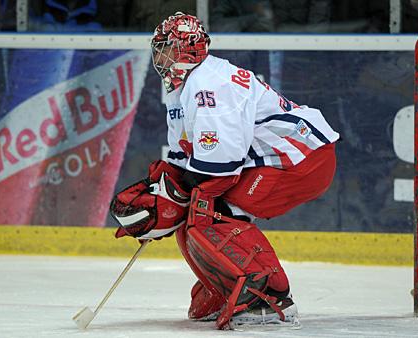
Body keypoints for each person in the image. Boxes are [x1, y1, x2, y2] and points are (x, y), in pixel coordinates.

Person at [110, 12, 339, 330]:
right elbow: (184, 160)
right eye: (158, 49)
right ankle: (227, 288)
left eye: (167, 48)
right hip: (279, 159)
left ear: (187, 51)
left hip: (300, 160)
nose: (160, 57)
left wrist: (169, 201)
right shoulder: (184, 88)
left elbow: (219, 170)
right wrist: (161, 193)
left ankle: (267, 297)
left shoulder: (211, 86)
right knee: (192, 208)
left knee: (211, 208)